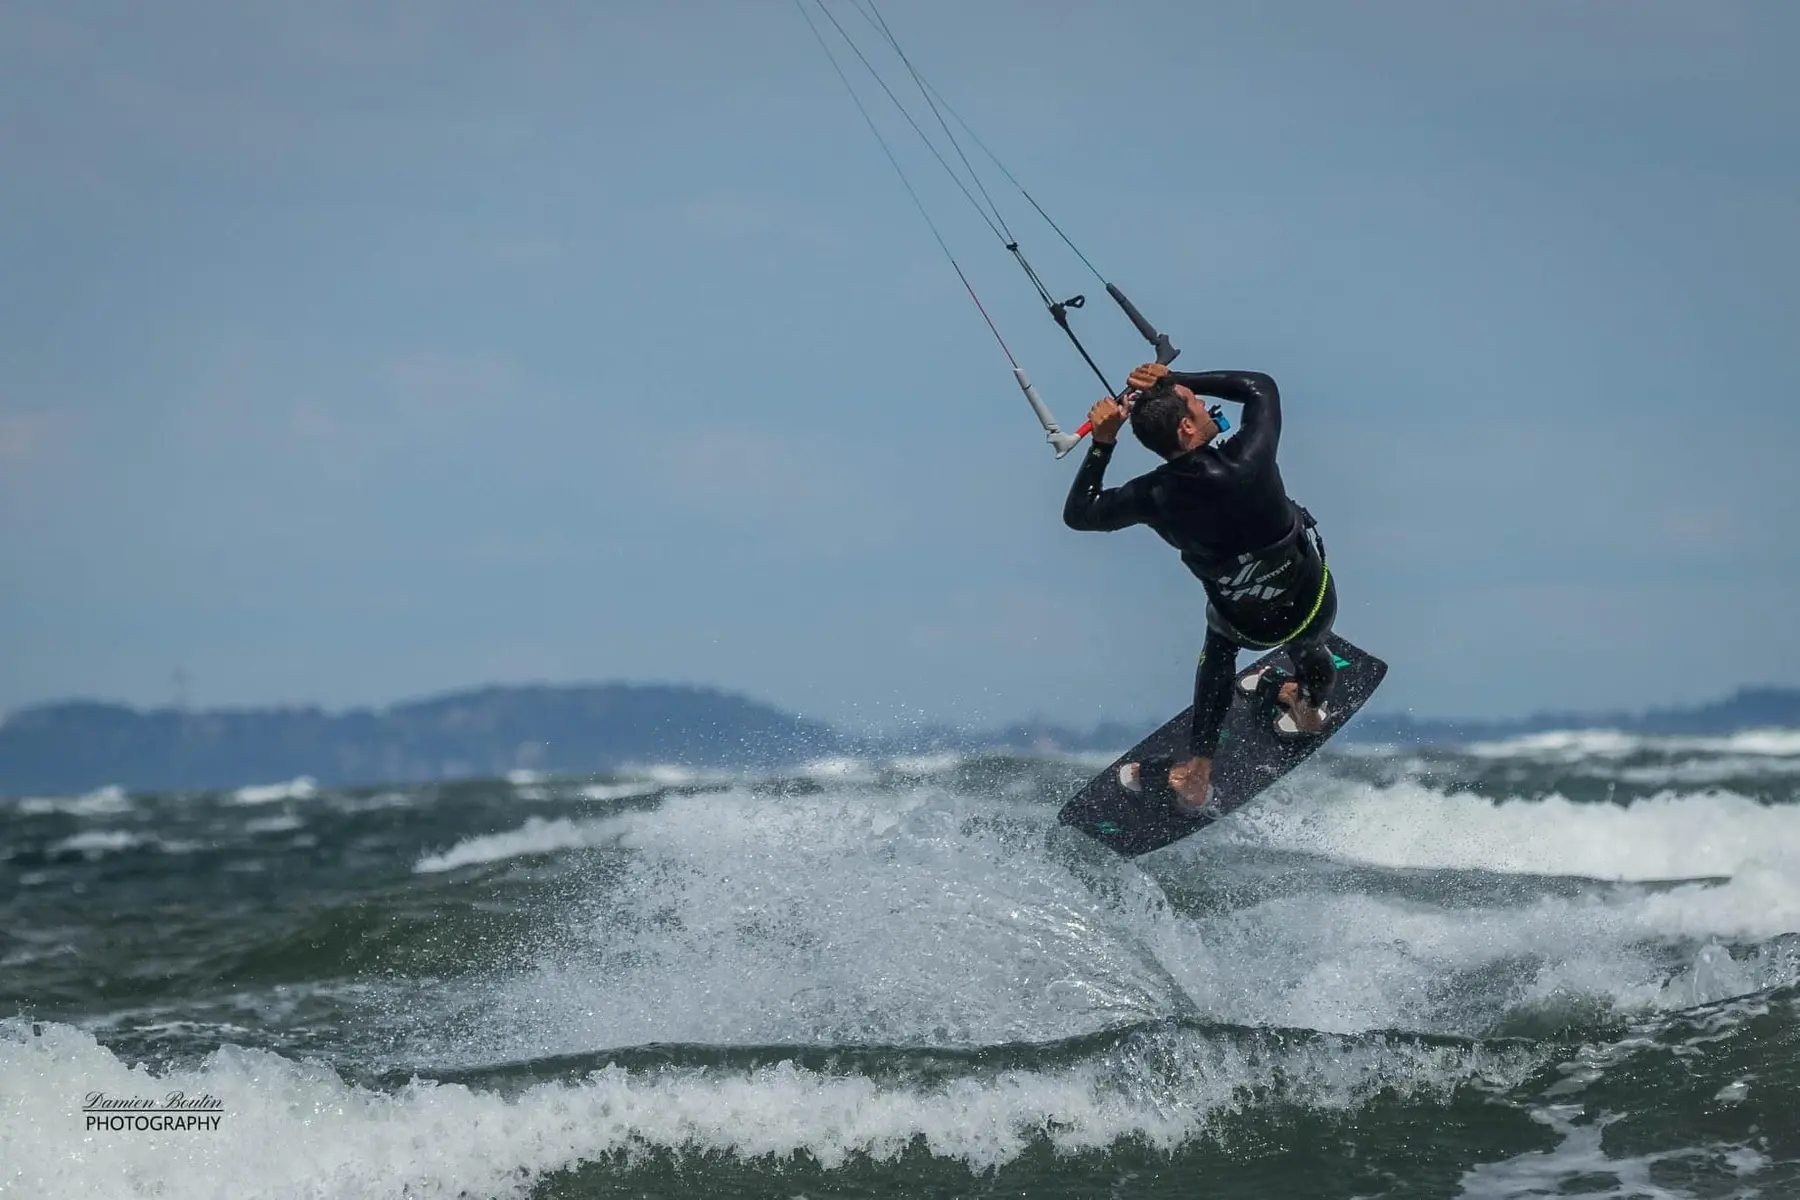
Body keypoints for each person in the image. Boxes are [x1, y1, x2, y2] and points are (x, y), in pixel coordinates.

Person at [1062, 362, 1337, 814]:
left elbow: (1079, 513)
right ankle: (1307, 708)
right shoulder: (1250, 456)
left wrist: (1102, 440)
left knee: (1220, 649)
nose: (1201, 400)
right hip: (1312, 605)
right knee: (1310, 644)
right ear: (1188, 425)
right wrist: (1174, 379)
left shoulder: (1152, 496)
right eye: (1193, 401)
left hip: (1244, 626)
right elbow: (1260, 387)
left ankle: (1197, 772)